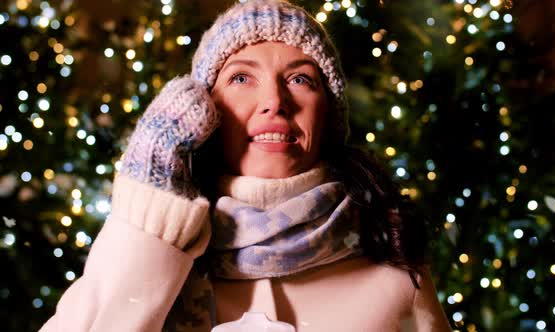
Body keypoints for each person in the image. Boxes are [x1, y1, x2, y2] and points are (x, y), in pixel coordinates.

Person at [40, 1, 452, 331]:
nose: (274, 100)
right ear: (206, 109)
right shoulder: (150, 258)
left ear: (327, 116)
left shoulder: (398, 277)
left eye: (300, 79)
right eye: (241, 78)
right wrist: (148, 212)